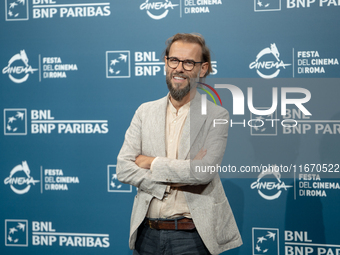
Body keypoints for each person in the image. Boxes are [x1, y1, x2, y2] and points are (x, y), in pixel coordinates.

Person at [117, 33, 242, 255]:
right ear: (166, 63)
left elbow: (203, 172)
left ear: (202, 69)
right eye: (174, 60)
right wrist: (170, 182)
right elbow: (124, 168)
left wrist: (151, 162)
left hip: (191, 239)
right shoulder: (144, 112)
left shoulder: (216, 115)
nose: (179, 68)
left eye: (189, 63)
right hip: (146, 235)